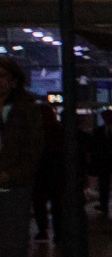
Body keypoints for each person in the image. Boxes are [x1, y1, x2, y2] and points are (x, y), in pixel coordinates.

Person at [0, 60, 40, 257]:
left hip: (14, 187)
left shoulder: (26, 110)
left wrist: (11, 174)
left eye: (3, 76)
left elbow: (34, 151)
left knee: (13, 243)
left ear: (13, 81)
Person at [31, 100, 61, 243]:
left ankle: (44, 230)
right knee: (54, 203)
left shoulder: (34, 132)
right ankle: (55, 231)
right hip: (52, 171)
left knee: (41, 202)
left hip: (43, 171)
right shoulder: (57, 131)